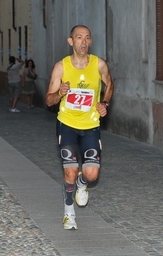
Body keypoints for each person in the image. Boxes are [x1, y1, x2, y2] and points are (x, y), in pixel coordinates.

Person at [45, 25, 114, 230]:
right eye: (79, 37)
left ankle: (82, 185)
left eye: (87, 38)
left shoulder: (99, 64)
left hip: (91, 125)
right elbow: (49, 101)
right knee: (70, 173)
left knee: (91, 174)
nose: (83, 42)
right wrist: (61, 93)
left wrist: (105, 103)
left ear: (90, 42)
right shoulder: (61, 67)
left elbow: (109, 84)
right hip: (67, 124)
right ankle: (69, 213)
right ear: (71, 41)